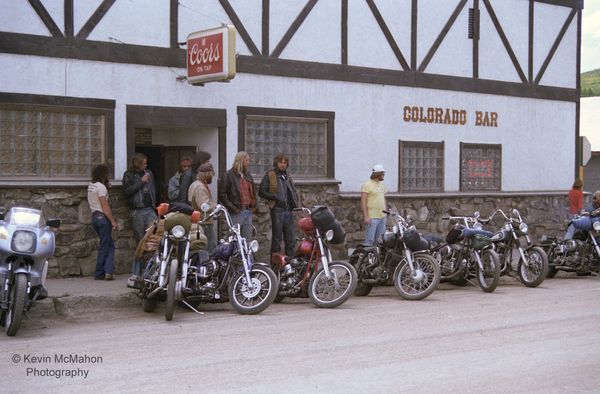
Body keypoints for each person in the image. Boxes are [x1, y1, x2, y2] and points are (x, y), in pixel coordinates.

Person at [122, 153, 157, 287]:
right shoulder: (129, 175)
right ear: (138, 163)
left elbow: (154, 188)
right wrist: (141, 182)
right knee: (141, 242)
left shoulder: (149, 173)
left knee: (153, 238)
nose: (146, 165)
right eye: (144, 162)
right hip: (138, 210)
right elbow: (127, 191)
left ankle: (151, 271)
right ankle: (136, 273)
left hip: (150, 209)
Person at [259, 153, 300, 257]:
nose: (283, 164)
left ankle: (290, 265)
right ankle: (275, 268)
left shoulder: (287, 176)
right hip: (277, 210)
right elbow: (261, 191)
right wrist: (275, 197)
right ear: (276, 163)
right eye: (280, 162)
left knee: (290, 240)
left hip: (288, 211)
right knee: (277, 240)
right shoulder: (270, 174)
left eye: (285, 162)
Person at [87, 164, 117, 281]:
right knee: (106, 246)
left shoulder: (91, 186)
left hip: (95, 217)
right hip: (103, 218)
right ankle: (101, 272)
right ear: (104, 175)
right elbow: (104, 206)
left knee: (107, 244)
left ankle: (107, 271)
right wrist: (113, 221)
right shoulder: (101, 188)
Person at [218, 151, 256, 241]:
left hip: (248, 211)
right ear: (241, 161)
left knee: (247, 240)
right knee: (235, 239)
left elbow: (252, 192)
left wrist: (254, 205)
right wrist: (233, 208)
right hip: (236, 212)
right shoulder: (228, 175)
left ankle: (247, 255)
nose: (249, 163)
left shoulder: (248, 175)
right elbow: (222, 195)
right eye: (247, 160)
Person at [189, 162, 217, 252]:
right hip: (204, 223)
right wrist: (216, 207)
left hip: (198, 221)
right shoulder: (200, 187)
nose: (212, 177)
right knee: (208, 249)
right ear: (207, 174)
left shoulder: (194, 184)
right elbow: (204, 205)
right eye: (211, 175)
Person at [361, 164, 388, 246]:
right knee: (369, 241)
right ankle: (367, 258)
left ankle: (377, 258)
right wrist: (366, 216)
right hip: (372, 217)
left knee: (380, 241)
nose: (384, 175)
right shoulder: (367, 185)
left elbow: (383, 198)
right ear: (378, 174)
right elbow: (363, 200)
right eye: (383, 173)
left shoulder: (382, 185)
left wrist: (386, 212)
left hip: (382, 217)